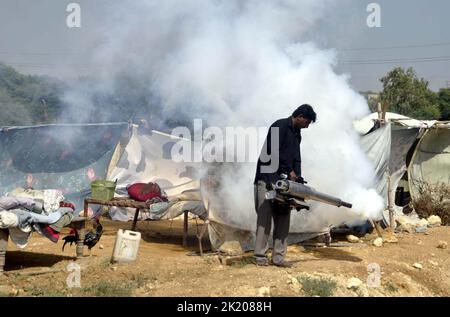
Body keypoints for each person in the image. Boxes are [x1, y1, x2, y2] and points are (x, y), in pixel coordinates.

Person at [253, 104, 317, 267]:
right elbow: (273, 153)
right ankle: (260, 256)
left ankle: (278, 258)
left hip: (284, 183)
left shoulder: (297, 134)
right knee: (264, 218)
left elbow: (297, 158)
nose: (307, 126)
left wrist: (298, 176)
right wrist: (289, 171)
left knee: (283, 218)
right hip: (267, 179)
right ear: (300, 116)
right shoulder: (279, 126)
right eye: (307, 122)